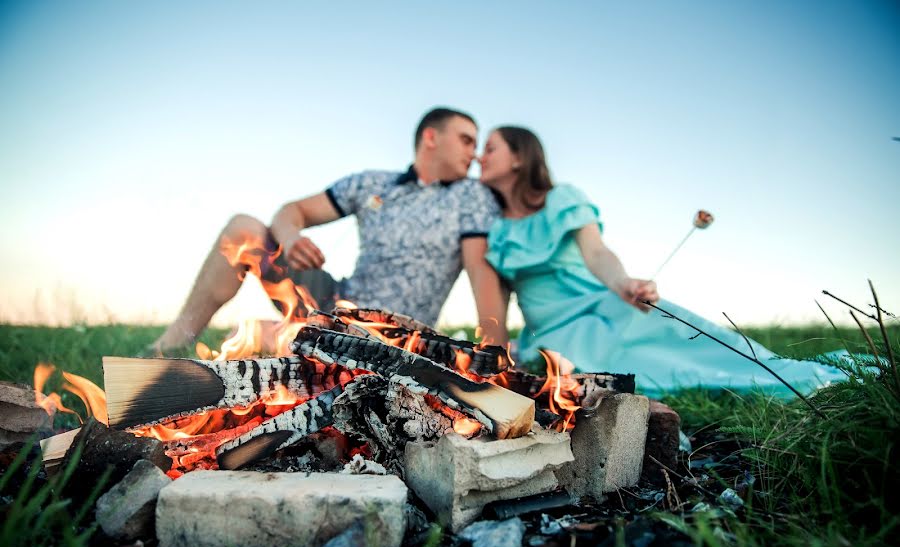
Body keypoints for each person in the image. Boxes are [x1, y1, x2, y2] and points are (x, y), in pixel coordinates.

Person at [478, 126, 848, 397]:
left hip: (602, 304)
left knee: (689, 338)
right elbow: (501, 302)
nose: (481, 156)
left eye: (490, 148)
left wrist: (624, 284)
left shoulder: (561, 198)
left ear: (518, 157)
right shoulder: (493, 231)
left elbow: (597, 253)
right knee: (634, 375)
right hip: (552, 334)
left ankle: (798, 376)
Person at [150, 107, 508, 354]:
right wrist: (291, 238)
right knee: (243, 227)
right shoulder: (371, 183)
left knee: (245, 337)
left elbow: (480, 273)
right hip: (333, 305)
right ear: (431, 137)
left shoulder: (472, 196)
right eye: (466, 140)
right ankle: (168, 346)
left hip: (396, 337)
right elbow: (292, 211)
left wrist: (496, 355)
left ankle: (284, 341)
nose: (475, 154)